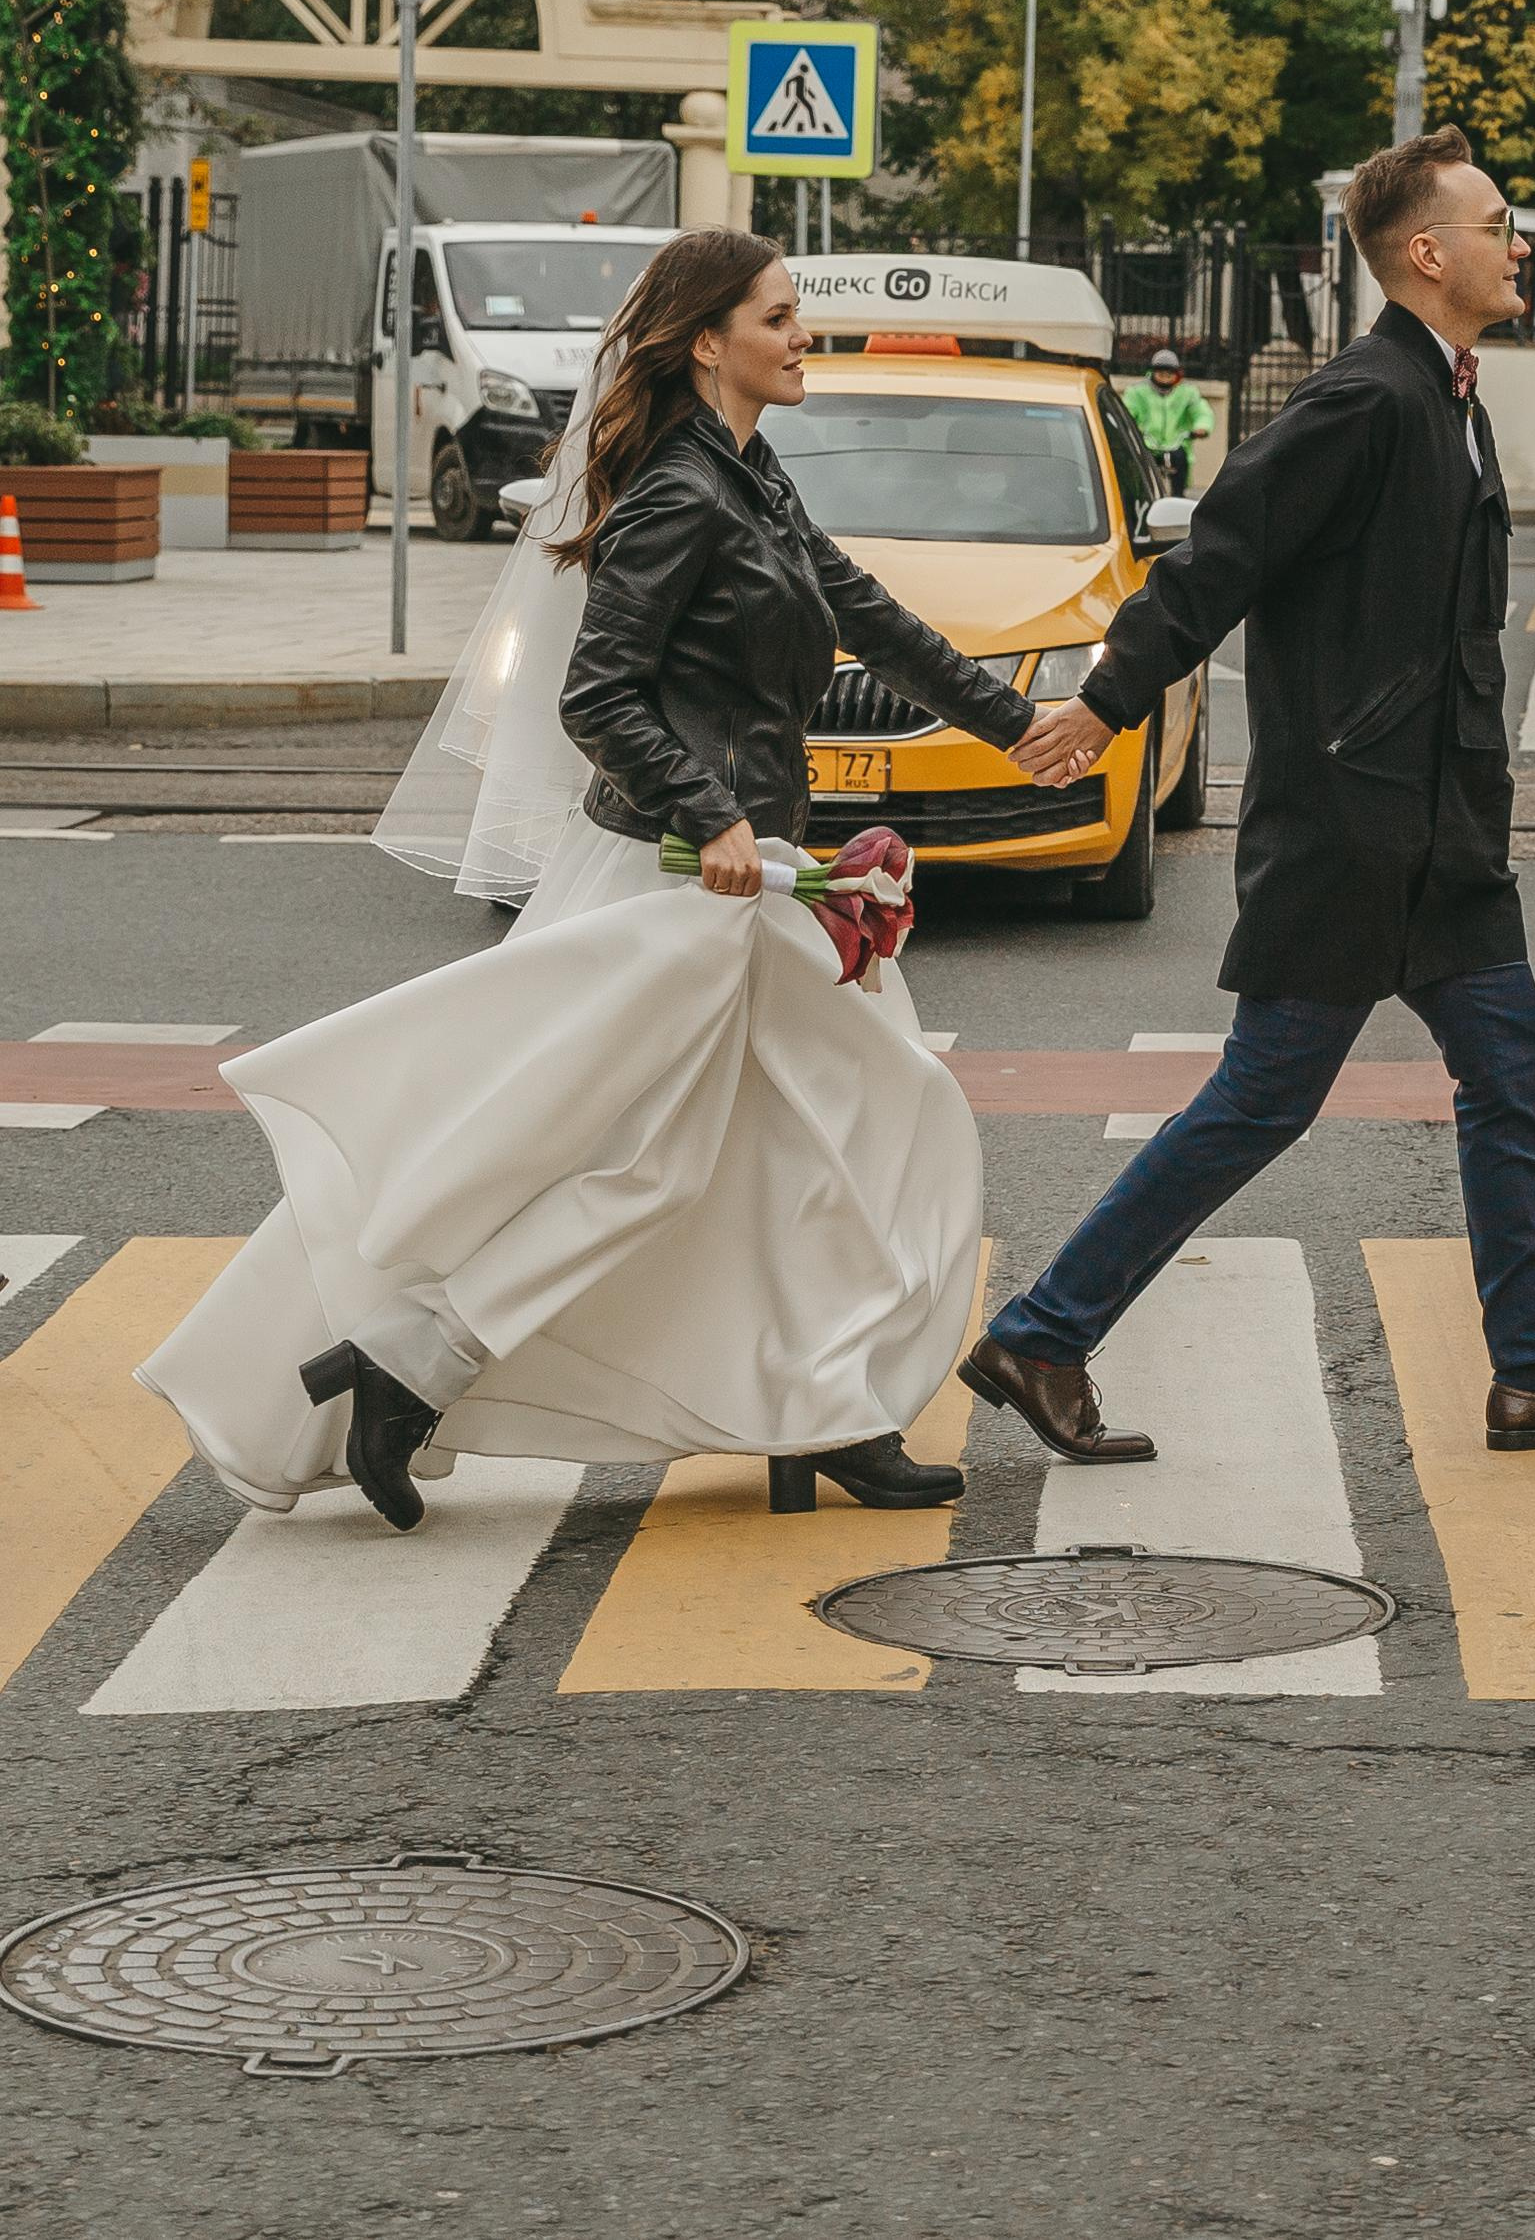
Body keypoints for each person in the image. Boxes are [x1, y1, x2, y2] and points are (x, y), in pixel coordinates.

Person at [139, 231, 1048, 1533]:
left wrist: (1017, 723)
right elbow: (598, 694)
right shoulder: (682, 490)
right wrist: (712, 812)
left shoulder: (751, 473)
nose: (804, 337)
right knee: (685, 1155)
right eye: (780, 317)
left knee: (815, 1138)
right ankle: (419, 1364)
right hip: (682, 883)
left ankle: (815, 1406)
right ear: (706, 341)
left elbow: (866, 610)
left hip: (750, 875)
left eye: (800, 317)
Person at [959, 125, 1535, 1465]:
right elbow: (1218, 555)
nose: (1520, 244)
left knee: (1511, 1067)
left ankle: (1534, 1365)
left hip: (1439, 828)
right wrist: (1108, 699)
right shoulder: (1366, 397)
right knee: (1263, 1096)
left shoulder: (1445, 393)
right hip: (1357, 827)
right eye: (1498, 225)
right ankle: (1045, 1330)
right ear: (1428, 252)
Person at [1121, 343, 1212, 497]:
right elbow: (1127, 410)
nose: (1164, 376)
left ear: (1177, 374)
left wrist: (1202, 427)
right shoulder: (1138, 392)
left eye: (1169, 373)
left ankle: (1178, 496)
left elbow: (1201, 411)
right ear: (1152, 372)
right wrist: (1131, 427)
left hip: (1176, 443)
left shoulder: (1187, 392)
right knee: (1140, 469)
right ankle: (1142, 497)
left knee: (1180, 460)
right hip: (1147, 442)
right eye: (1160, 372)